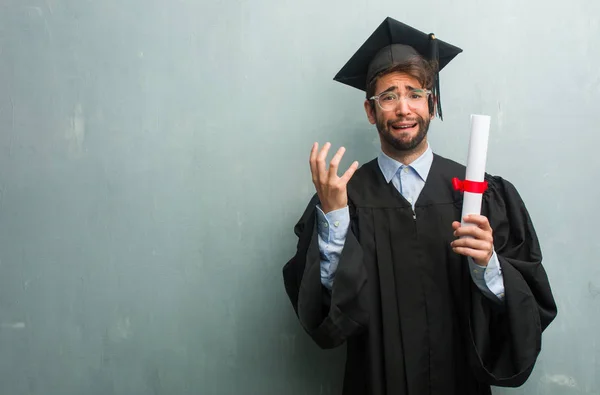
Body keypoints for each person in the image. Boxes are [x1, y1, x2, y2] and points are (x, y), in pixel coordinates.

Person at [282, 17, 557, 395]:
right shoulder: (344, 200)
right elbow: (324, 319)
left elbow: (530, 306)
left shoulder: (481, 195)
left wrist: (489, 266)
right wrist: (334, 220)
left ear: (432, 103)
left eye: (414, 93)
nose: (403, 109)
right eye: (388, 96)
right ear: (370, 110)